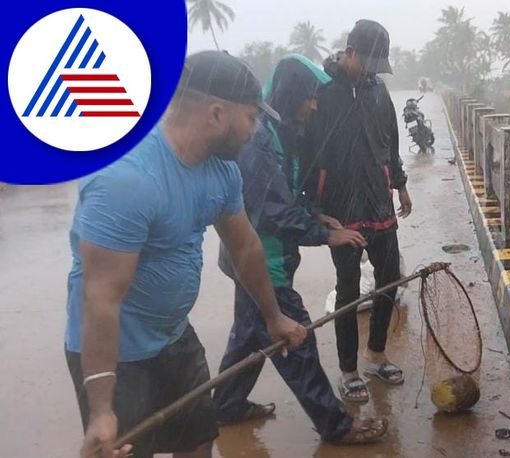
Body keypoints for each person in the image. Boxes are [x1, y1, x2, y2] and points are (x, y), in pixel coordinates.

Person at [64, 50, 308, 458]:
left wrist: (274, 317)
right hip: (116, 354)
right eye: (251, 117)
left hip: (173, 336)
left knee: (198, 441)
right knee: (123, 450)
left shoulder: (222, 170)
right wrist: (102, 409)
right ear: (216, 114)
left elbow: (245, 246)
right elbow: (100, 299)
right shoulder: (126, 180)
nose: (255, 130)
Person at [213, 54, 387, 444]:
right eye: (309, 97)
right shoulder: (258, 140)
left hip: (260, 258)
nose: (314, 105)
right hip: (263, 261)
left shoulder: (281, 133)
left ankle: (225, 405)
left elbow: (289, 191)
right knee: (296, 341)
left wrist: (315, 213)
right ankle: (337, 426)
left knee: (248, 336)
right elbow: (271, 210)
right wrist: (325, 235)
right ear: (291, 94)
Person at [304, 19, 412, 403]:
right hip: (340, 210)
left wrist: (399, 184)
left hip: (379, 202)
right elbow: (310, 153)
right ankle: (348, 369)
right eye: (366, 61)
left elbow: (391, 143)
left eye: (377, 65)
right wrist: (313, 207)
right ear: (349, 53)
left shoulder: (379, 93)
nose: (371, 70)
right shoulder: (323, 93)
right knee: (348, 290)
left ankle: (376, 353)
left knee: (389, 278)